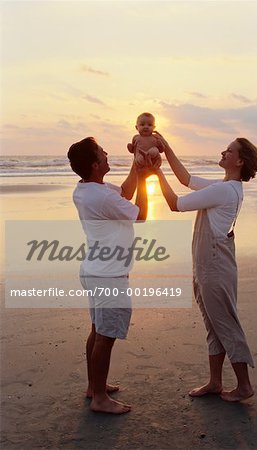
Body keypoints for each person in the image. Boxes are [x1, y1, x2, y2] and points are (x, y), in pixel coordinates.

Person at [154, 135, 257, 402]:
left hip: (214, 267)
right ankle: (215, 382)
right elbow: (186, 180)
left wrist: (156, 172)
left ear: (240, 161)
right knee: (213, 324)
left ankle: (244, 386)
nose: (223, 152)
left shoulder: (224, 190)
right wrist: (166, 149)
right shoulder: (225, 186)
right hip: (207, 265)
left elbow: (175, 204)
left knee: (225, 322)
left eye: (229, 151)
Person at [67, 136, 149, 414]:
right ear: (94, 164)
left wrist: (136, 169)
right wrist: (147, 181)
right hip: (109, 276)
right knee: (105, 336)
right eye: (102, 152)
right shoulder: (99, 195)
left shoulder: (87, 188)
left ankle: (94, 387)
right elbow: (140, 214)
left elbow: (124, 192)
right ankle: (100, 398)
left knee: (97, 330)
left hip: (94, 270)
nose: (106, 153)